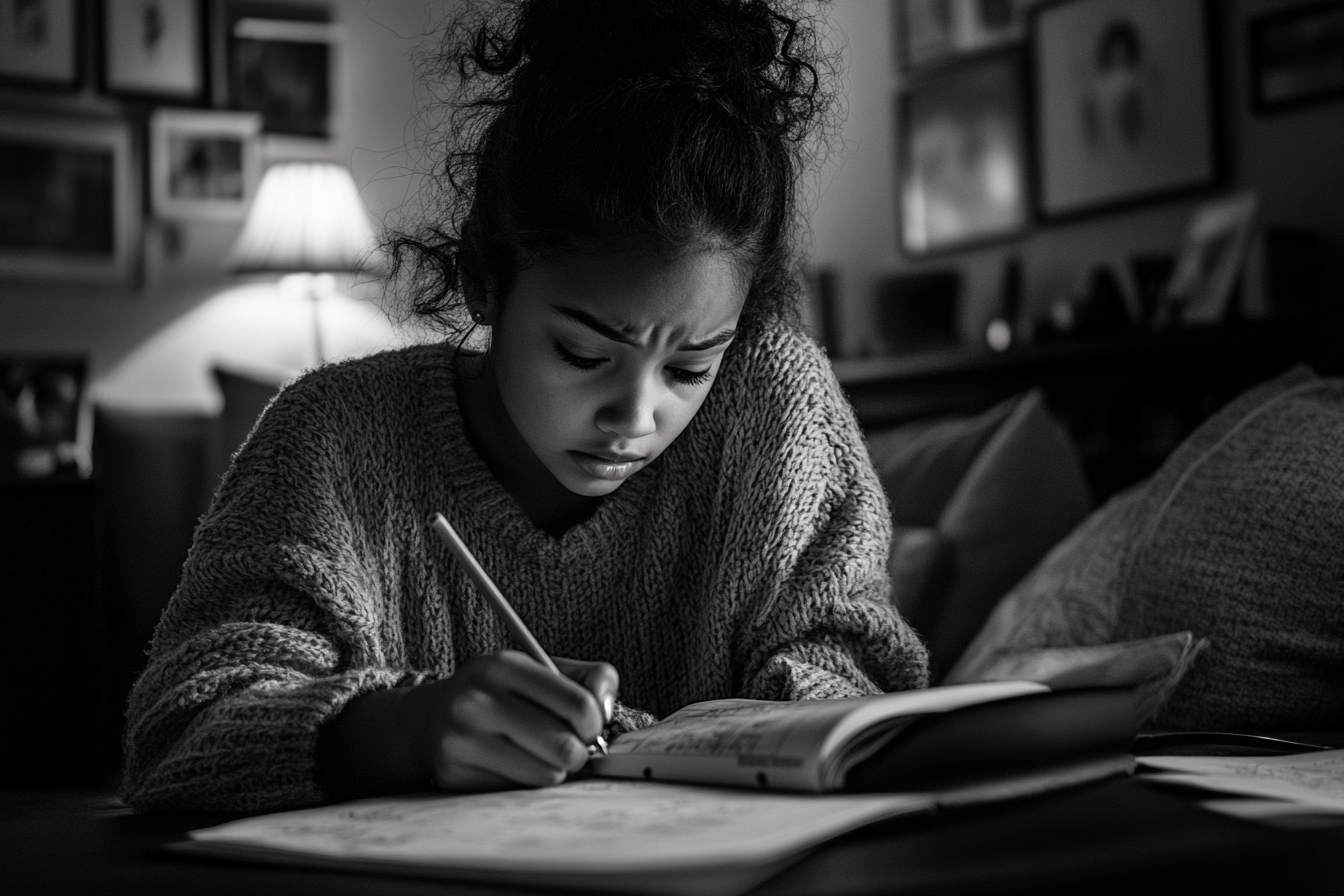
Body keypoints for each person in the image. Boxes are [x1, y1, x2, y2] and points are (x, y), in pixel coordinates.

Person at [121, 0, 929, 813]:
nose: (635, 416)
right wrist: (404, 729)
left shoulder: (774, 411)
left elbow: (855, 701)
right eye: (581, 354)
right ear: (484, 276)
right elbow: (177, 736)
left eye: (690, 368)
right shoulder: (330, 438)